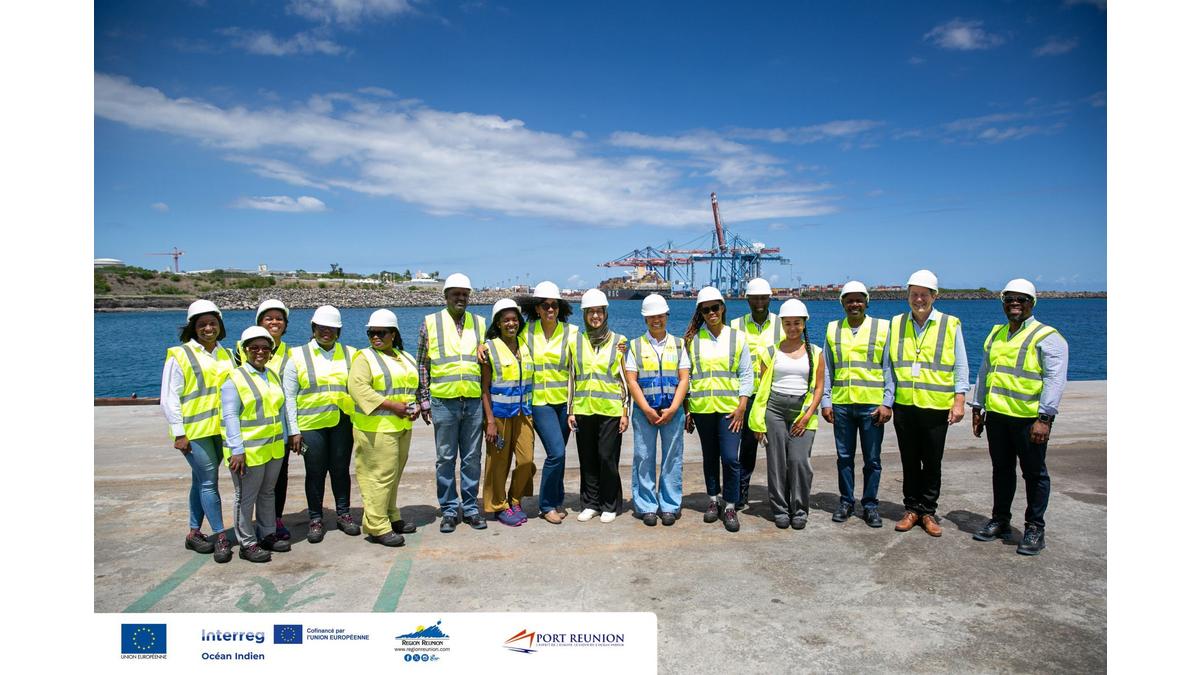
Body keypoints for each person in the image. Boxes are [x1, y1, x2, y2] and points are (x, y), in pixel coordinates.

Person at [971, 279, 1068, 555]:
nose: (1015, 303)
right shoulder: (996, 334)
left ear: (1032, 303)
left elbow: (1055, 380)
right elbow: (985, 372)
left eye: (1021, 299)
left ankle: (1035, 528)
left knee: (1034, 474)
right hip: (998, 416)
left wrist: (1045, 418)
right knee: (1001, 471)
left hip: (1029, 420)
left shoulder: (1047, 337)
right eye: (1010, 299)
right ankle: (1000, 519)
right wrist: (977, 407)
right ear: (1003, 302)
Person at [886, 270, 969, 537]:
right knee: (909, 461)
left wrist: (959, 400)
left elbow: (961, 365)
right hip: (905, 404)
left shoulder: (950, 324)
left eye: (924, 295)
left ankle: (928, 512)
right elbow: (889, 365)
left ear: (934, 296)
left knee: (932, 462)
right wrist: (888, 400)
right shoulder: (896, 323)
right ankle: (911, 509)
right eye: (914, 294)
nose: (918, 299)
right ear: (907, 296)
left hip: (936, 405)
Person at [160, 299, 237, 563]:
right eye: (202, 324)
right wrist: (179, 433)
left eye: (212, 323)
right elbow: (169, 397)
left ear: (220, 325)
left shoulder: (227, 355)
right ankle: (221, 537)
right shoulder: (180, 355)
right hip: (195, 433)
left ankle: (194, 532)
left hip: (221, 430)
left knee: (199, 481)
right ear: (193, 327)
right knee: (208, 481)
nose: (208, 328)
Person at [283, 305, 366, 544]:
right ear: (313, 328)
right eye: (322, 328)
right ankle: (316, 518)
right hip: (311, 424)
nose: (326, 332)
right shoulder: (296, 356)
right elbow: (289, 396)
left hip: (342, 422)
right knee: (315, 471)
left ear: (339, 330)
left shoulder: (351, 354)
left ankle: (343, 514)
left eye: (332, 328)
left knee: (340, 469)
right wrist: (294, 431)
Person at [417, 273, 488, 533]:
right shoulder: (430, 323)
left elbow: (486, 359)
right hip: (443, 402)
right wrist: (424, 400)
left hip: (472, 401)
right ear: (446, 296)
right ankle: (448, 509)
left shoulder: (480, 323)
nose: (461, 298)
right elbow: (422, 364)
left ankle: (470, 508)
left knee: (472, 458)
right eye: (456, 294)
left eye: (465, 294)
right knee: (445, 458)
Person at [820, 281, 894, 528]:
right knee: (844, 457)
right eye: (849, 300)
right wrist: (826, 401)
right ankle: (846, 501)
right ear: (842, 303)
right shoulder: (833, 329)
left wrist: (887, 402)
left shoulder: (882, 328)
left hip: (872, 405)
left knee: (872, 459)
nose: (854, 304)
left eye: (859, 300)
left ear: (866, 302)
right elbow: (828, 369)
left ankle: (870, 505)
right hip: (842, 404)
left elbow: (889, 368)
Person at [222, 326, 298, 563]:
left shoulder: (272, 375)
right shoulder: (235, 379)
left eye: (265, 348)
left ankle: (267, 534)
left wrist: (287, 437)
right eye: (254, 348)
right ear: (245, 350)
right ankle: (247, 543)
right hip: (248, 452)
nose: (260, 352)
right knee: (245, 497)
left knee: (267, 493)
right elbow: (230, 416)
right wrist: (236, 450)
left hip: (273, 448)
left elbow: (280, 410)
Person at [748, 299, 824, 529]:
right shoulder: (770, 352)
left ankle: (799, 509)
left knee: (799, 461)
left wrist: (807, 415)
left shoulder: (815, 352)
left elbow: (819, 388)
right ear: (782, 324)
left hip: (803, 411)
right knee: (777, 462)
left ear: (804, 323)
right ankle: (780, 509)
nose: (792, 328)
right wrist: (759, 422)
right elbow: (763, 390)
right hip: (775, 410)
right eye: (788, 323)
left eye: (797, 323)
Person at [349, 309, 421, 547]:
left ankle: (391, 515)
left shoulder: (405, 357)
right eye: (371, 333)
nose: (375, 337)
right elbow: (359, 389)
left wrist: (414, 407)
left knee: (393, 474)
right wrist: (392, 406)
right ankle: (377, 525)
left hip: (401, 425)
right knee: (378, 477)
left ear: (393, 334)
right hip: (376, 428)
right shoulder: (364, 358)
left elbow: (410, 388)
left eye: (381, 332)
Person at [684, 286, 753, 533]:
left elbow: (746, 374)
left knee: (731, 458)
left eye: (715, 308)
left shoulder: (737, 337)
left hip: (729, 410)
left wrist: (742, 406)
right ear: (700, 313)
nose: (711, 313)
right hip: (702, 410)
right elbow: (688, 378)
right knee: (710, 457)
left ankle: (731, 505)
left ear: (722, 308)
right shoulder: (692, 340)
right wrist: (688, 410)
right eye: (706, 310)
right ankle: (713, 500)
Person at [625, 293, 690, 527]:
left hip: (672, 410)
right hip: (645, 412)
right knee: (643, 457)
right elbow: (632, 380)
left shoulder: (679, 344)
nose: (656, 320)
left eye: (660, 316)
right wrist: (646, 409)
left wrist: (674, 408)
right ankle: (646, 506)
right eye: (652, 317)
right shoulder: (635, 346)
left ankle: (670, 505)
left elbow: (684, 378)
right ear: (645, 319)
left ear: (667, 316)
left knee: (672, 458)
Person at [517, 281, 579, 524]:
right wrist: (483, 345)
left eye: (555, 305)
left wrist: (620, 346)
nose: (550, 309)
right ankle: (546, 505)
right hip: (540, 402)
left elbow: (587, 356)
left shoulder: (572, 332)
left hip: (564, 403)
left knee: (559, 456)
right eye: (545, 305)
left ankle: (557, 499)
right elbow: (504, 342)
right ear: (537, 308)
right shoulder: (526, 332)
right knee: (557, 452)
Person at [568, 289, 629, 524]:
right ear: (584, 314)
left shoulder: (619, 341)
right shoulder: (576, 342)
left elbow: (624, 379)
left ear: (605, 313)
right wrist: (571, 410)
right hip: (584, 409)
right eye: (590, 312)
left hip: (611, 410)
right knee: (587, 458)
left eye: (599, 311)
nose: (595, 316)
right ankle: (590, 504)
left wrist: (625, 411)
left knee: (607, 457)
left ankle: (609, 504)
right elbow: (572, 378)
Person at [238, 298, 295, 542]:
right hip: (250, 432)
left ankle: (274, 520)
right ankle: (248, 532)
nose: (274, 322)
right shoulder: (240, 351)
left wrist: (293, 430)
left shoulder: (292, 353)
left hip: (279, 428)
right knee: (250, 487)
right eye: (268, 318)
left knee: (277, 479)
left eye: (279, 318)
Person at [480, 299, 537, 527]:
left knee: (526, 460)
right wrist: (490, 422)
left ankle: (515, 500)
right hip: (500, 415)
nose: (511, 324)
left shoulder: (526, 344)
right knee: (498, 463)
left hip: (523, 413)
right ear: (498, 323)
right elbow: (484, 388)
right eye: (506, 320)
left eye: (514, 319)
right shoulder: (490, 348)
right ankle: (499, 505)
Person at [729, 277, 779, 509]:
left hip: (774, 395)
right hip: (747, 396)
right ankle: (741, 491)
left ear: (769, 299)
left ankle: (780, 492)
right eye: (754, 298)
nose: (759, 302)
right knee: (747, 447)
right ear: (747, 299)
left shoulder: (781, 324)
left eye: (763, 298)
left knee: (777, 448)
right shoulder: (736, 325)